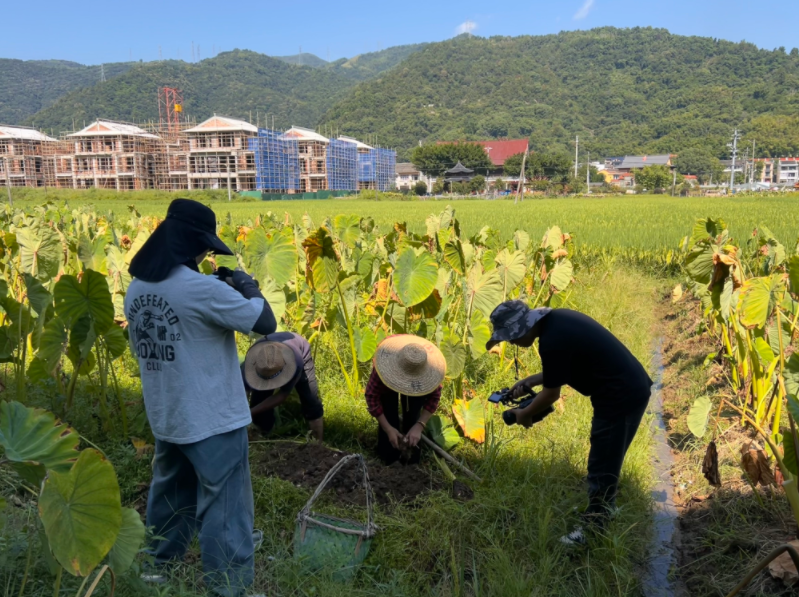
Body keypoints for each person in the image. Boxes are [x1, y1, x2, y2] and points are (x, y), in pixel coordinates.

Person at [125, 198, 276, 596]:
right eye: (205, 248)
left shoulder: (136, 289)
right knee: (225, 510)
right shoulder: (200, 288)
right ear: (191, 245)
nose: (207, 255)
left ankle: (157, 575)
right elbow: (264, 322)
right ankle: (229, 589)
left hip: (168, 415)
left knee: (171, 500)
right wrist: (247, 286)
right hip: (213, 418)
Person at [485, 301, 653, 546]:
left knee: (603, 460)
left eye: (510, 337)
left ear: (522, 328)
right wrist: (531, 381)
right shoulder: (557, 322)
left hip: (620, 395)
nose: (510, 343)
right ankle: (605, 509)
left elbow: (551, 395)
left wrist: (524, 414)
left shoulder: (551, 340)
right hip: (630, 386)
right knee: (609, 456)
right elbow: (566, 366)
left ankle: (594, 529)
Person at [364, 334, 446, 464]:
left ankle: (411, 455)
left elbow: (434, 398)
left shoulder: (431, 369)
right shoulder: (384, 366)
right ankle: (388, 455)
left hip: (418, 381)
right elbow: (371, 396)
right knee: (388, 408)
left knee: (413, 413)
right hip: (395, 364)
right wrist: (388, 428)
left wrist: (419, 426)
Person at [242, 332, 324, 441]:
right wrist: (242, 412)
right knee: (258, 401)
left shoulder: (296, 363)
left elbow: (282, 395)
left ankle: (317, 445)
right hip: (267, 352)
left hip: (300, 350)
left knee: (310, 400)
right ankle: (262, 437)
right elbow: (239, 390)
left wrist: (250, 413)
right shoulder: (248, 365)